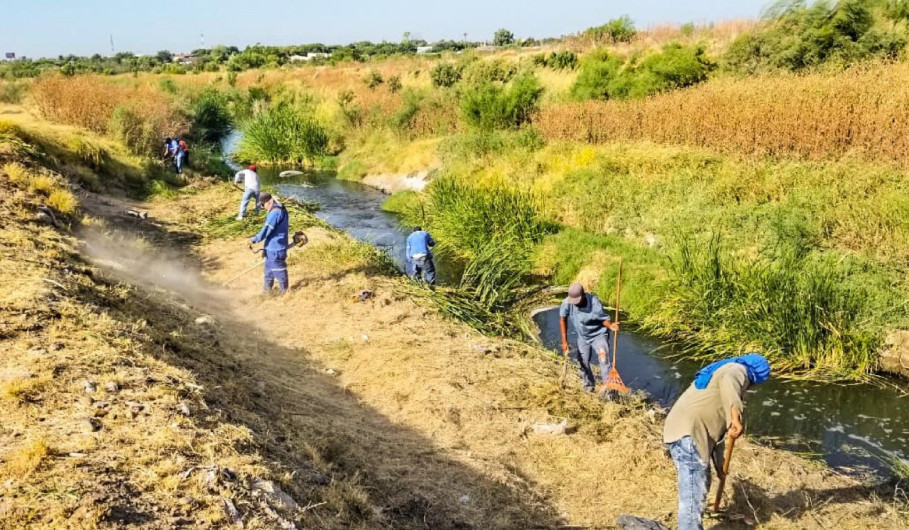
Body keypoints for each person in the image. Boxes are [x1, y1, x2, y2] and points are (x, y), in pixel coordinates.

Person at [663, 354, 771, 530]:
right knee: (692, 493)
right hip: (689, 433)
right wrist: (735, 418)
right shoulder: (737, 369)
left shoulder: (718, 374)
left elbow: (716, 437)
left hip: (683, 431)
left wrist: (720, 466)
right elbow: (730, 381)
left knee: (701, 481)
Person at [559, 283, 619, 393]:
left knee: (604, 360)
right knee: (583, 362)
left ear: (583, 295)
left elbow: (603, 319)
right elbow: (563, 319)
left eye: (577, 301)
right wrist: (564, 341)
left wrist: (610, 326)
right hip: (583, 336)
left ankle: (609, 392)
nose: (575, 304)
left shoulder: (594, 302)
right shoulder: (567, 302)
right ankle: (588, 387)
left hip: (598, 335)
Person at [250, 192, 290, 295]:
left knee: (279, 271)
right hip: (270, 247)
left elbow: (266, 229)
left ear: (269, 202)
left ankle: (285, 293)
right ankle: (266, 292)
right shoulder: (276, 209)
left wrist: (254, 239)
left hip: (276, 248)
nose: (263, 207)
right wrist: (265, 248)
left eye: (262, 205)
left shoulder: (275, 212)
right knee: (268, 273)